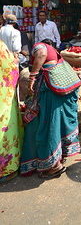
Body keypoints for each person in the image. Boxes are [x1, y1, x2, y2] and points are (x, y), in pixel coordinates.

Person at [20, 39, 81, 178]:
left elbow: (41, 53)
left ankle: (54, 166)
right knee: (58, 123)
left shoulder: (39, 46)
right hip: (63, 89)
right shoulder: (54, 52)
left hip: (53, 91)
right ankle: (59, 156)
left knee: (49, 126)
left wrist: (32, 77)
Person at [0, 40, 23, 182]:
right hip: (3, 97)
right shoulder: (1, 46)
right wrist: (15, 61)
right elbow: (11, 69)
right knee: (5, 127)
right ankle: (6, 170)